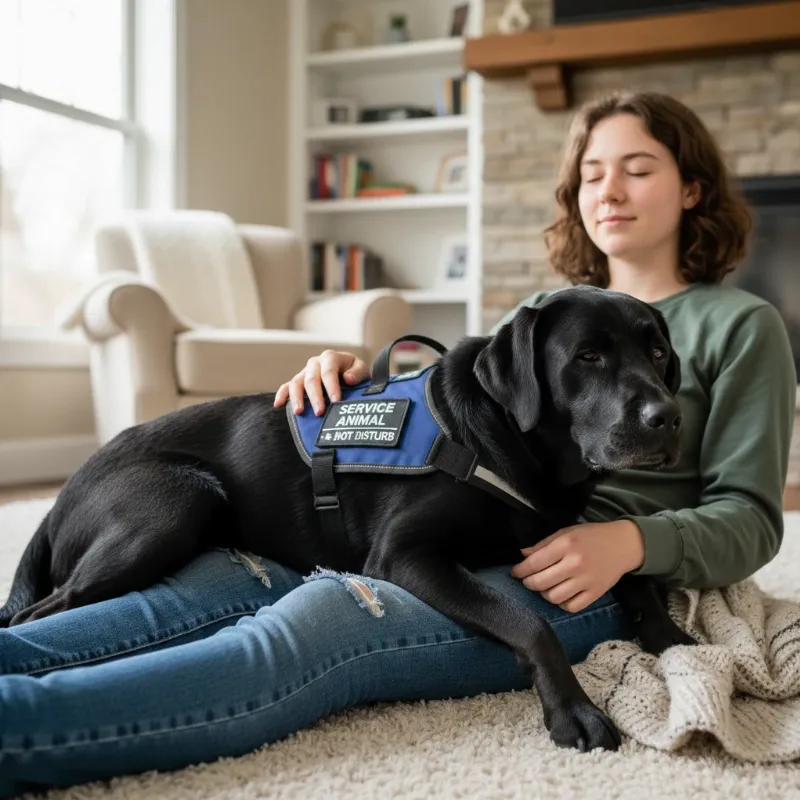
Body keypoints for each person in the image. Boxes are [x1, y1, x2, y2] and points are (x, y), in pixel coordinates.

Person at [0, 91, 794, 797]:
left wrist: (630, 542)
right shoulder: (540, 320)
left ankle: (24, 729)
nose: (609, 190)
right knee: (193, 588)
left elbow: (754, 519)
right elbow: (442, 414)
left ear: (692, 187)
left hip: (595, 580)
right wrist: (340, 382)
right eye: (592, 172)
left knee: (320, 619)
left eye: (638, 167)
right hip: (452, 536)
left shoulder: (740, 324)